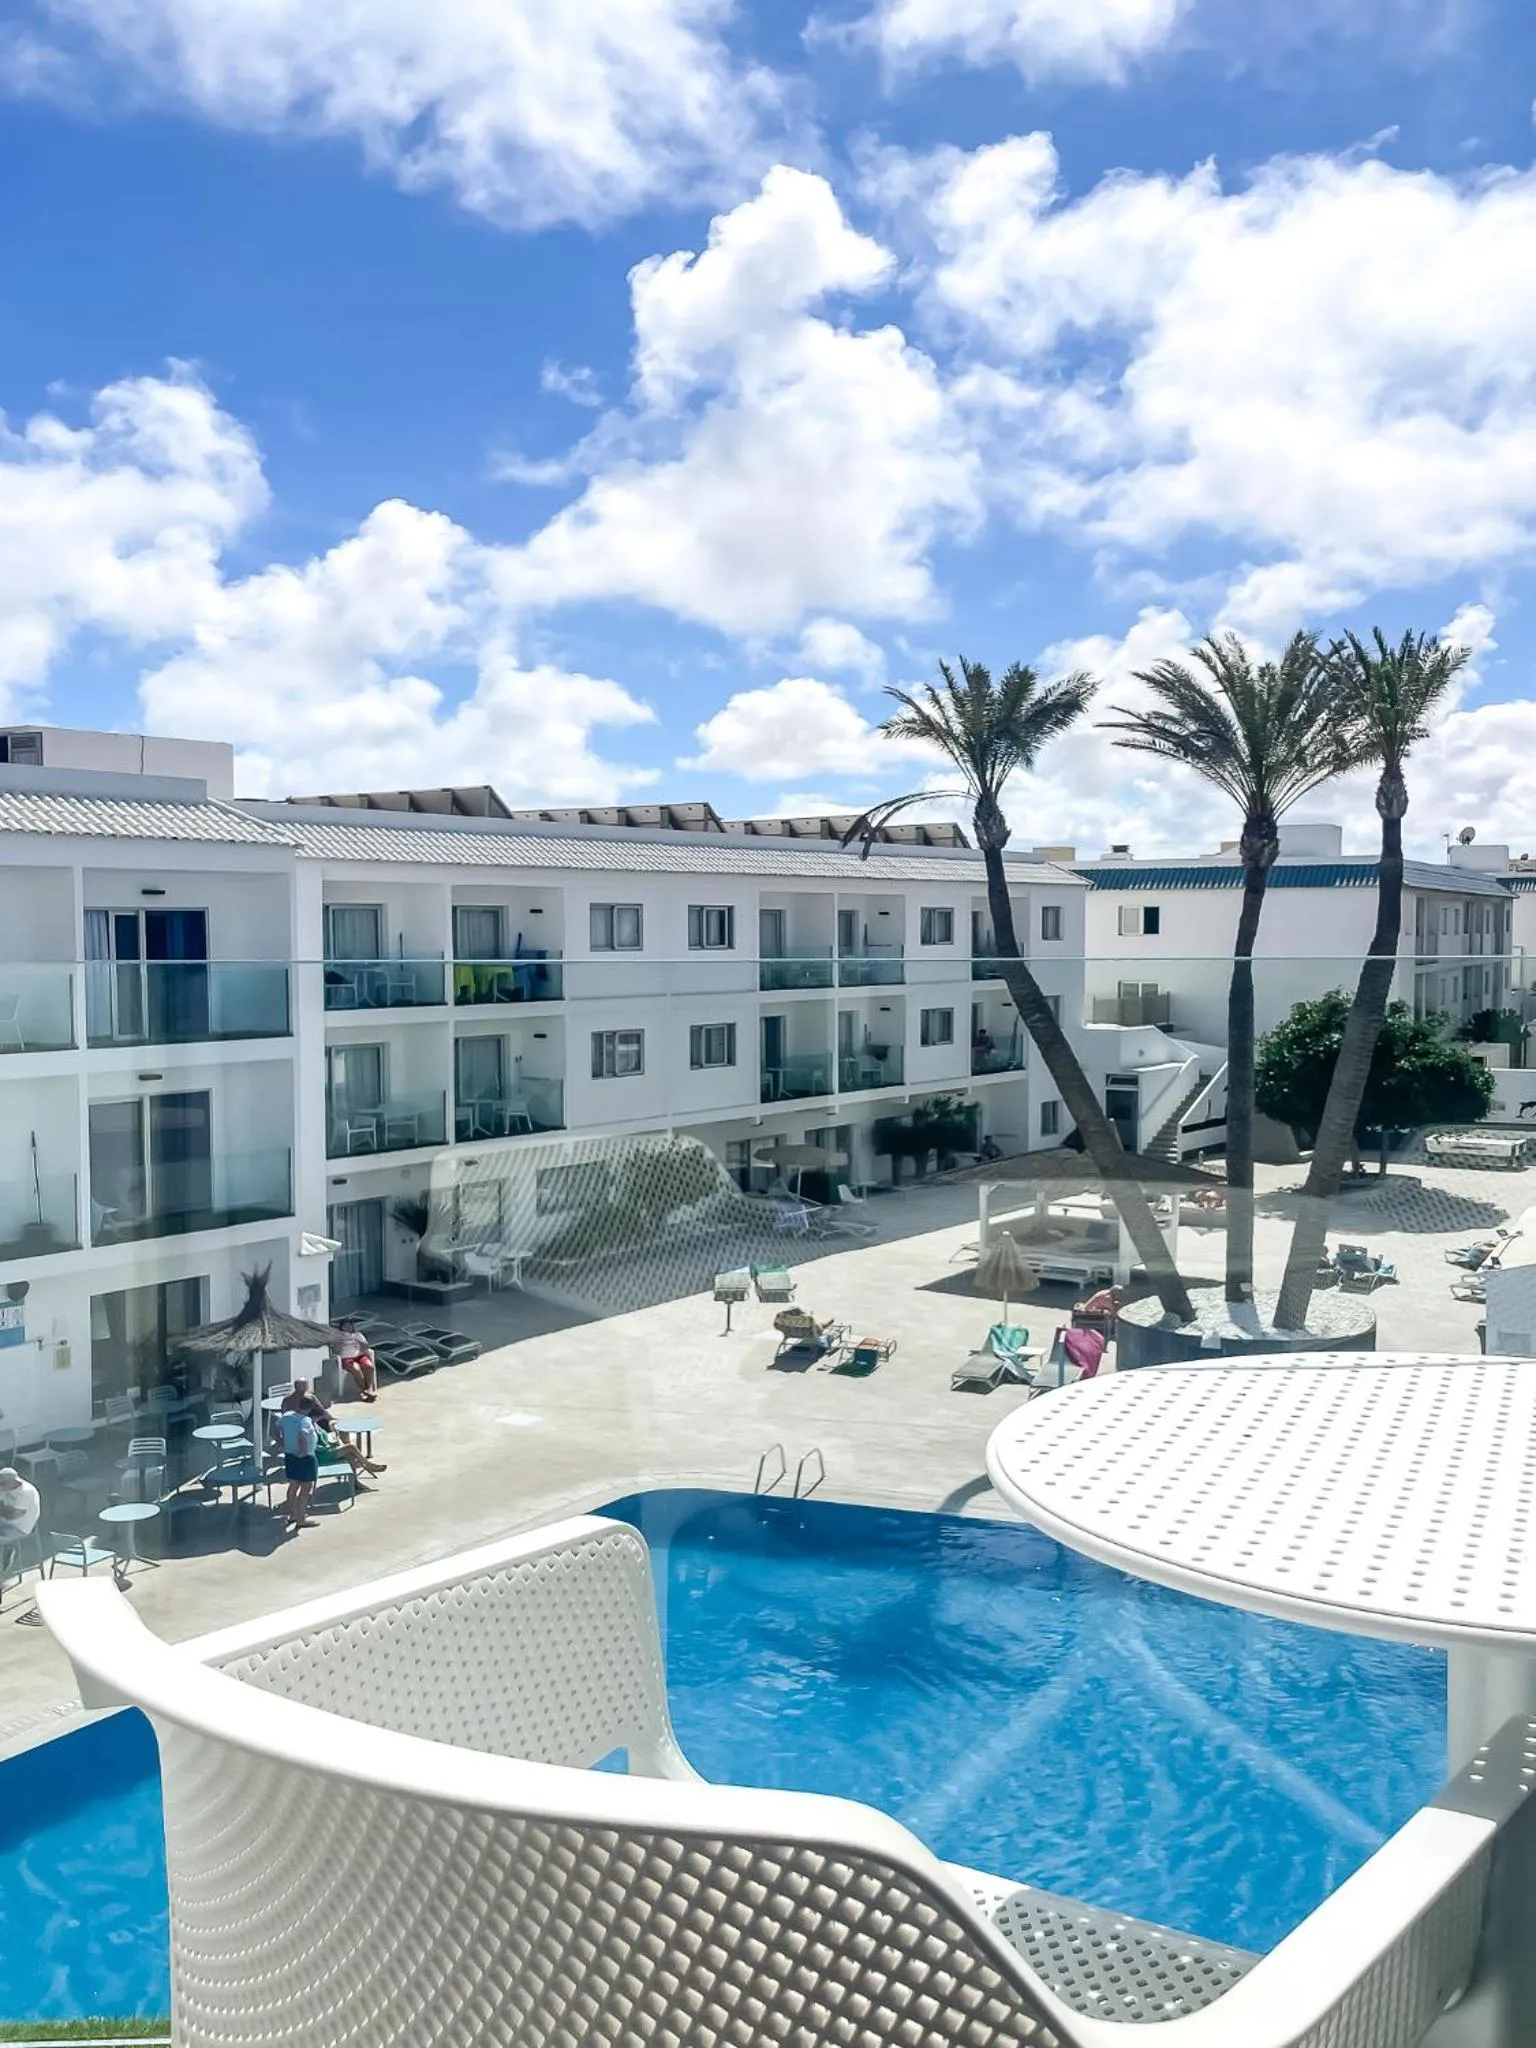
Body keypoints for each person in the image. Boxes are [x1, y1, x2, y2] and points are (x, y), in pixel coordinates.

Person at [282, 1381, 387, 1482]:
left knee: (343, 1436)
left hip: (323, 1447)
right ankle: (365, 1464)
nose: (304, 1390)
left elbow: (323, 1412)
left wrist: (334, 1421)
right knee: (350, 1448)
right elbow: (313, 1444)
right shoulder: (303, 1422)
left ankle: (355, 1476)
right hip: (321, 1455)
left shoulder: (311, 1404)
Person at [278, 1403, 320, 1532]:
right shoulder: (305, 1420)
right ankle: (301, 1520)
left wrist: (282, 1442)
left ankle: (293, 1515)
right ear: (308, 1409)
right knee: (305, 1488)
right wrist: (303, 1452)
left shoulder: (286, 1416)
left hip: (290, 1455)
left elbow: (274, 1430)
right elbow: (302, 1435)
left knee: (293, 1486)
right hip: (305, 1458)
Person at [0, 1466, 41, 1573]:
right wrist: (5, 1510)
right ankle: (9, 1550)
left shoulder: (26, 1492)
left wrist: (4, 1510)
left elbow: (13, 1515)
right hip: (5, 1521)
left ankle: (2, 1571)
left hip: (20, 1527)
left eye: (3, 1484)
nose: (1, 1486)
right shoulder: (7, 1486)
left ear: (14, 1481)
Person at [333, 1318, 378, 1402]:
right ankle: (364, 1390)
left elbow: (366, 1347)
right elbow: (335, 1349)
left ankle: (370, 1389)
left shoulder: (358, 1335)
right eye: (345, 1326)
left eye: (350, 1325)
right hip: (347, 1358)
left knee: (369, 1366)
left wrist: (360, 1345)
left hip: (359, 1356)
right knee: (356, 1369)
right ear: (342, 1327)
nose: (348, 1327)